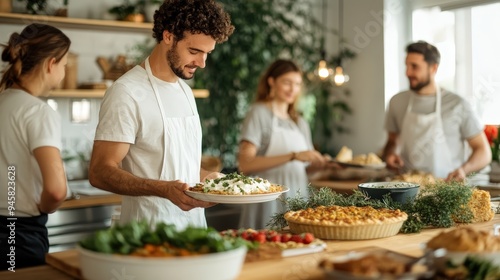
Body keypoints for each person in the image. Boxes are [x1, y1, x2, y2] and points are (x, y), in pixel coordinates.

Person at [88, 0, 234, 230]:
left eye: (207, 53)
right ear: (168, 37)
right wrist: (162, 189)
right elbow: (99, 172)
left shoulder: (185, 92)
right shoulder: (126, 92)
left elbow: (180, 166)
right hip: (146, 233)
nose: (202, 63)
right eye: (194, 51)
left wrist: (207, 179)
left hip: (193, 231)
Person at [0, 24, 70, 270]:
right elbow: (56, 190)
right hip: (20, 235)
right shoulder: (38, 112)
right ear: (51, 64)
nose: (63, 72)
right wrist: (43, 208)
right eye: (64, 65)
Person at [238, 59, 334, 229]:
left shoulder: (300, 122)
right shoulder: (259, 113)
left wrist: (323, 166)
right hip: (267, 199)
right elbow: (245, 163)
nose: (293, 89)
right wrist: (293, 156)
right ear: (271, 82)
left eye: (297, 84)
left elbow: (304, 169)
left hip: (298, 196)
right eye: (287, 83)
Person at [383, 41, 491, 181]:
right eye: (406, 65)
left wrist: (464, 170)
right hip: (407, 189)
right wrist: (390, 154)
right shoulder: (397, 102)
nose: (408, 72)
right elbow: (392, 141)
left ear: (433, 68)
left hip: (446, 189)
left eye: (414, 66)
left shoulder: (457, 104)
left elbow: (483, 151)